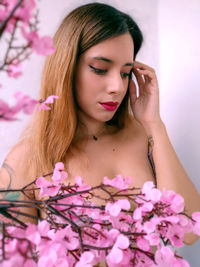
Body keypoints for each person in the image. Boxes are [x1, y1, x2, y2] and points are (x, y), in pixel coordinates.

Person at [0, 2, 199, 244]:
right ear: (66, 69)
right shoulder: (27, 159)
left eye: (125, 73)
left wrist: (154, 124)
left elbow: (189, 232)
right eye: (100, 69)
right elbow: (13, 257)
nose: (117, 87)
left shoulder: (143, 138)